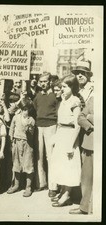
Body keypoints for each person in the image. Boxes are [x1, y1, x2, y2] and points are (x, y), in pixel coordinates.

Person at [51, 75, 81, 207]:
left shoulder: (75, 101)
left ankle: (67, 195)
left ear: (72, 87)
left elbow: (77, 125)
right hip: (61, 134)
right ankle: (63, 190)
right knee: (60, 164)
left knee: (69, 165)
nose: (62, 89)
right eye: (61, 87)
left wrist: (71, 145)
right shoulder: (64, 100)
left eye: (64, 87)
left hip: (69, 136)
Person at [33, 72, 58, 197]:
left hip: (51, 126)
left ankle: (53, 186)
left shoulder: (55, 95)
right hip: (39, 127)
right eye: (41, 81)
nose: (43, 83)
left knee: (51, 156)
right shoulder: (37, 96)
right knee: (39, 156)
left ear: (50, 82)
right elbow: (34, 109)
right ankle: (41, 183)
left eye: (45, 81)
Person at [69, 96, 94, 214]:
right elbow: (80, 117)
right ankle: (84, 207)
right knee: (87, 178)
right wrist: (90, 125)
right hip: (90, 143)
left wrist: (91, 117)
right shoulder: (94, 99)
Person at [7, 100, 35, 197]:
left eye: (27, 110)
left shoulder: (31, 120)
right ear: (21, 110)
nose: (25, 112)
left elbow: (32, 133)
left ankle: (28, 187)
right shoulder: (15, 117)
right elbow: (11, 128)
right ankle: (16, 185)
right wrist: (11, 139)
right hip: (16, 142)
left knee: (28, 164)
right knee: (16, 163)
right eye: (23, 110)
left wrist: (29, 129)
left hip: (27, 144)